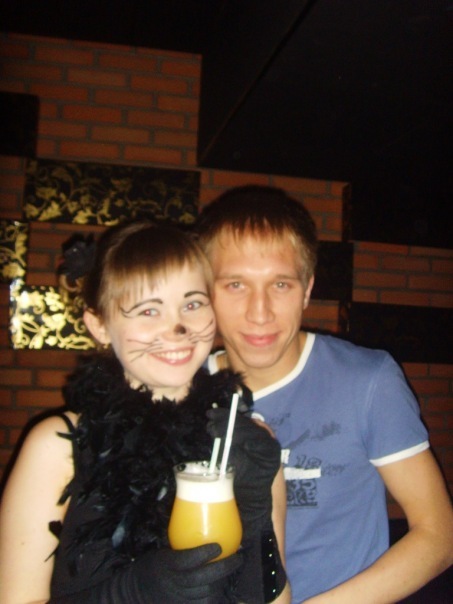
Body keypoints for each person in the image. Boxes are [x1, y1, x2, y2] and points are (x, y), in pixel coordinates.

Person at [0, 221, 291, 604]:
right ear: (99, 325)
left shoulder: (245, 444)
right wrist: (128, 593)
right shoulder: (56, 446)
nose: (177, 328)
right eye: (149, 310)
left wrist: (253, 514)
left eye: (192, 304)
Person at [194, 185, 453, 604]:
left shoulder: (367, 381)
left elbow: (439, 534)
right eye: (236, 285)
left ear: (307, 290)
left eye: (281, 284)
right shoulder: (180, 393)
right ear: (206, 291)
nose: (259, 312)